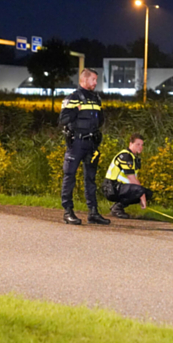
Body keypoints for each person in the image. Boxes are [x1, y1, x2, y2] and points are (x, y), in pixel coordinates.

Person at [58, 68, 110, 226]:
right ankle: (68, 212)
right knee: (70, 176)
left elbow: (100, 120)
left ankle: (93, 212)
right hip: (77, 144)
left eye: (96, 80)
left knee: (90, 179)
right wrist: (76, 109)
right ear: (85, 80)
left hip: (91, 143)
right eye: (93, 79)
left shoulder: (96, 98)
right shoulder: (74, 97)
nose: (96, 82)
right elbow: (63, 119)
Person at [102, 133, 153, 219]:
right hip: (111, 187)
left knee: (148, 193)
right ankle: (117, 208)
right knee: (140, 191)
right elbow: (132, 178)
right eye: (137, 144)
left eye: (142, 145)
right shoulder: (126, 156)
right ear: (130, 144)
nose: (140, 147)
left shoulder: (132, 157)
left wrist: (142, 193)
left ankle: (117, 206)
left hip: (119, 187)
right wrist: (142, 196)